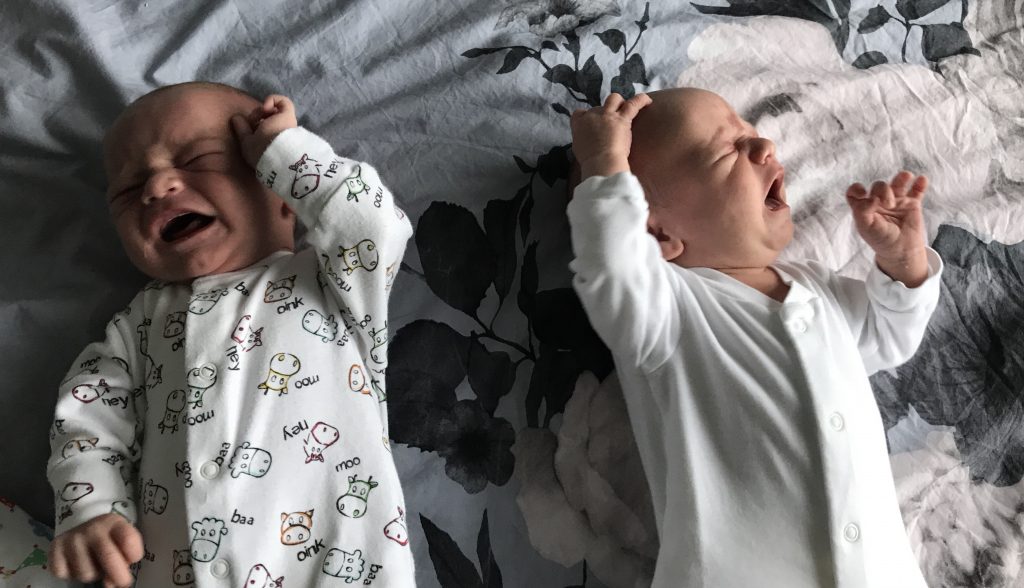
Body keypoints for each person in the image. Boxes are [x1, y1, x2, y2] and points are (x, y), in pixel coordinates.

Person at [566, 88, 941, 587]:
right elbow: (611, 266)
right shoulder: (666, 309)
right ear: (656, 234)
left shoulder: (817, 288)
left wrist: (902, 265)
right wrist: (604, 161)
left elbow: (889, 335)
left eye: (753, 134)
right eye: (727, 151)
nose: (764, 147)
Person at [46, 82, 415, 588]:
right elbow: (87, 416)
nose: (155, 189)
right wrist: (90, 506)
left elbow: (374, 224)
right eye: (130, 191)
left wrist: (286, 153)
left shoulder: (331, 284)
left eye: (197, 158)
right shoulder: (137, 325)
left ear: (282, 195)